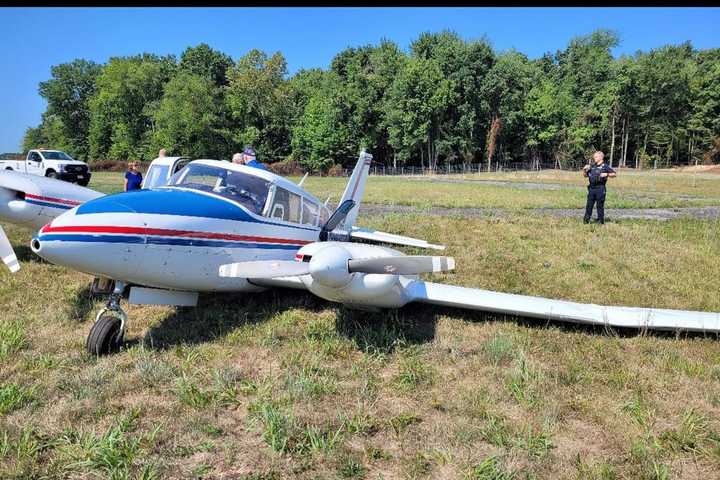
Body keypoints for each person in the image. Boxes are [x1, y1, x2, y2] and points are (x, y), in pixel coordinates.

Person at [582, 151, 616, 224]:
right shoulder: (592, 166)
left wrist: (606, 174)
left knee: (599, 206)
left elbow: (614, 174)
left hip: (600, 188)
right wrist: (584, 170)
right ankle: (586, 220)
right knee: (589, 205)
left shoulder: (605, 166)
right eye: (594, 157)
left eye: (596, 157)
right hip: (591, 188)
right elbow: (585, 176)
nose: (594, 158)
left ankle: (600, 221)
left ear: (601, 157)